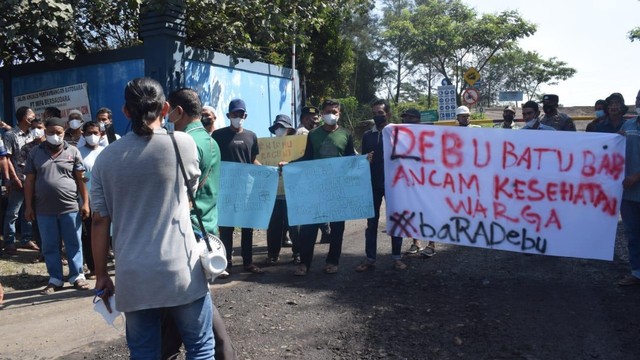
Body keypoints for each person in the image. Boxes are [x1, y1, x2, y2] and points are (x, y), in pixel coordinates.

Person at [91, 77, 215, 358]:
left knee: (144, 351)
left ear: (124, 111)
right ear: (166, 108)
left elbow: (99, 221)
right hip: (180, 269)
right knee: (200, 347)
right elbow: (189, 191)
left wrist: (101, 274)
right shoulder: (183, 144)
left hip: (133, 275)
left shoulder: (105, 158)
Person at [163, 88, 236, 360]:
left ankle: (223, 352)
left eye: (168, 111)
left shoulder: (182, 142)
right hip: (207, 230)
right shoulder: (211, 140)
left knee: (192, 304)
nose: (166, 117)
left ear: (178, 111)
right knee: (184, 302)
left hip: (186, 232)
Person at [23, 117, 90, 295]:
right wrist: (28, 206)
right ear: (45, 132)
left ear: (64, 132)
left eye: (58, 133)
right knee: (49, 245)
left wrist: (85, 203)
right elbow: (29, 181)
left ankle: (77, 276)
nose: (55, 136)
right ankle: (55, 278)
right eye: (51, 132)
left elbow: (81, 179)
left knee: (73, 242)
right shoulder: (35, 153)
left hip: (70, 207)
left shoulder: (73, 151)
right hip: (44, 210)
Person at [291, 99, 356, 276]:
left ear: (339, 114)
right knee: (308, 227)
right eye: (328, 111)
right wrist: (289, 165)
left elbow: (351, 159)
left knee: (337, 228)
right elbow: (307, 158)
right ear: (322, 114)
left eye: (334, 112)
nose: (331, 115)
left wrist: (364, 161)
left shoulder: (346, 135)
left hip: (337, 189)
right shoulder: (313, 135)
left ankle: (332, 261)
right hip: (316, 188)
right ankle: (304, 263)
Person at [212, 99, 264, 275]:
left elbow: (252, 161)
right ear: (228, 115)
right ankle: (226, 264)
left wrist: (266, 171)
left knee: (247, 227)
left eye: (241, 114)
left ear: (246, 116)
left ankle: (248, 262)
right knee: (226, 228)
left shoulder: (251, 136)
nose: (238, 117)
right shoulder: (218, 136)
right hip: (226, 190)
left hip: (245, 190)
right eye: (235, 114)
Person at [355, 99, 406, 272]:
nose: (377, 116)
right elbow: (363, 160)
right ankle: (370, 258)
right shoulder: (368, 136)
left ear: (388, 114)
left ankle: (397, 257)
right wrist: (365, 160)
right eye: (375, 113)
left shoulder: (398, 134)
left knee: (396, 221)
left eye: (381, 113)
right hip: (373, 184)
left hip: (394, 186)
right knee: (372, 223)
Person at [2, 106, 36, 256]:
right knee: (13, 212)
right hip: (18, 178)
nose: (34, 118)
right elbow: (6, 159)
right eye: (32, 115)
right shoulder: (10, 135)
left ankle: (26, 238)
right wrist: (13, 178)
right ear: (24, 118)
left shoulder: (32, 135)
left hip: (31, 179)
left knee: (28, 211)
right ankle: (9, 242)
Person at [265, 114, 297, 265]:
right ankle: (272, 254)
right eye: (277, 127)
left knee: (295, 226)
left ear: (289, 130)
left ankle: (297, 253)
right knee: (273, 226)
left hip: (292, 192)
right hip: (274, 193)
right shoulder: (266, 147)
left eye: (282, 127)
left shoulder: (298, 146)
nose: (279, 130)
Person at [77, 121, 105, 279]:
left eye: (95, 133)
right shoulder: (78, 152)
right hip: (86, 201)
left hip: (105, 199)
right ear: (83, 134)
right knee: (89, 236)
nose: (92, 136)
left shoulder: (106, 151)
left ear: (101, 134)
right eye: (89, 133)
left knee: (108, 235)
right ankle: (93, 267)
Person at [618, 88, 640, 286]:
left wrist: (636, 176)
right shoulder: (629, 125)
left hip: (633, 184)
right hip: (628, 192)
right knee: (632, 232)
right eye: (638, 100)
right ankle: (636, 272)